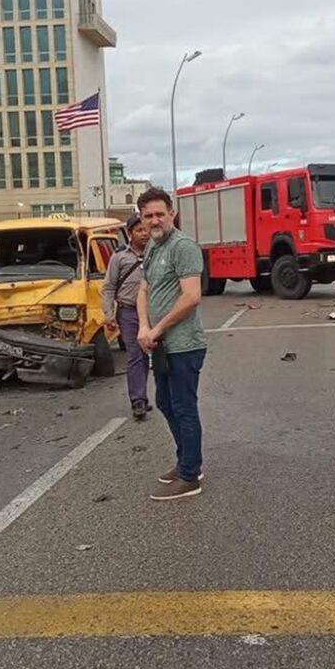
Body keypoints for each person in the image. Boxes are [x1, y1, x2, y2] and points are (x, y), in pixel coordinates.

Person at [136, 188, 207, 501]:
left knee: (183, 407)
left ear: (172, 213)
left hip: (184, 344)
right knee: (165, 403)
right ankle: (186, 461)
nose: (155, 221)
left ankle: (190, 476)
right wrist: (143, 327)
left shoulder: (183, 246)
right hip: (160, 344)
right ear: (141, 218)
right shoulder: (153, 246)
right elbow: (144, 290)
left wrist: (158, 328)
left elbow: (191, 297)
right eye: (148, 216)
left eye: (159, 214)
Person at [103, 214, 150, 420]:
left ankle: (147, 395)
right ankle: (138, 400)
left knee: (150, 355)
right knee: (135, 354)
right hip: (129, 312)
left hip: (154, 312)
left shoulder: (156, 253)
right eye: (139, 230)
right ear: (130, 233)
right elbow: (109, 287)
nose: (144, 234)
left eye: (146, 230)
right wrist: (109, 314)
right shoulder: (119, 257)